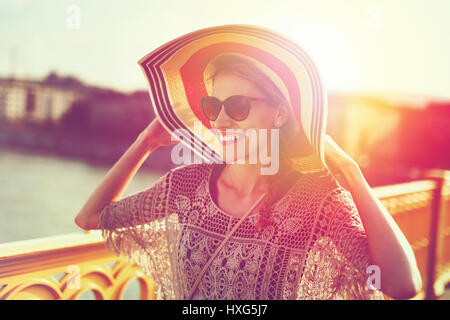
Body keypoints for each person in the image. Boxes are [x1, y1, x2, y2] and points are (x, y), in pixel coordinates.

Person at [74, 25, 421, 300]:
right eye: (213, 107)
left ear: (280, 113)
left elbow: (402, 286)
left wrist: (351, 173)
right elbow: (90, 217)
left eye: (238, 107)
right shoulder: (186, 184)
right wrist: (144, 144)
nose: (221, 121)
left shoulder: (317, 201)